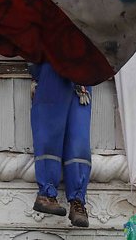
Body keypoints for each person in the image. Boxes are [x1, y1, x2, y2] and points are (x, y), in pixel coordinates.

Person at [29, 59, 92, 228]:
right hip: (52, 62)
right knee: (49, 130)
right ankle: (46, 194)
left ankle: (77, 201)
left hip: (82, 71)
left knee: (79, 139)